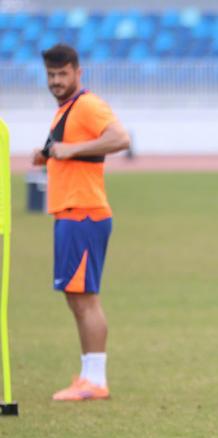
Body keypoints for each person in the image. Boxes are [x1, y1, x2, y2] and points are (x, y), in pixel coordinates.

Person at [32, 44, 130, 401]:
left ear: (78, 72)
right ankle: (88, 375)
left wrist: (70, 150)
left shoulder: (87, 105)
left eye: (63, 74)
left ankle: (95, 381)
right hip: (70, 213)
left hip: (84, 213)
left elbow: (120, 138)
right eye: (51, 75)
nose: (56, 81)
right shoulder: (66, 110)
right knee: (76, 297)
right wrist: (48, 156)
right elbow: (67, 151)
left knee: (86, 299)